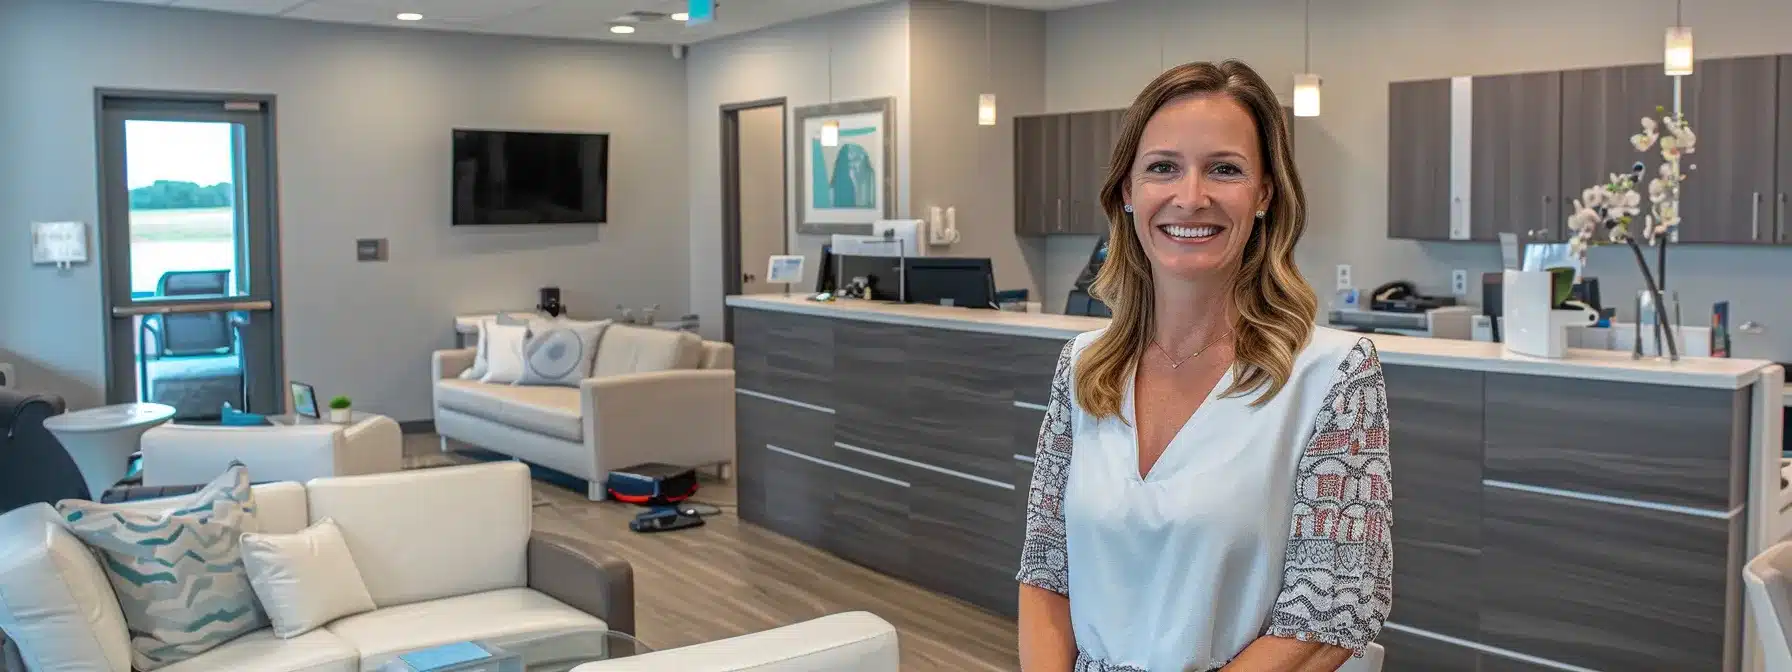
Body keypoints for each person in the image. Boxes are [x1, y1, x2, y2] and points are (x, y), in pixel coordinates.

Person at [1015, 60, 1392, 672]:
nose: (1192, 196)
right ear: (1128, 194)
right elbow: (1045, 572)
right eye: (1163, 167)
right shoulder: (1082, 369)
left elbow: (1329, 617)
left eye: (1225, 169)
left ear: (1265, 194)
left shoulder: (1333, 375)